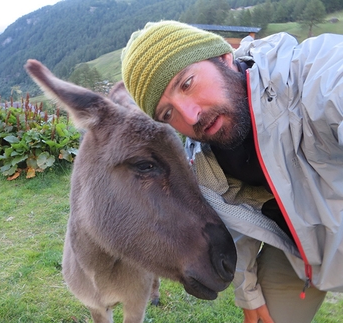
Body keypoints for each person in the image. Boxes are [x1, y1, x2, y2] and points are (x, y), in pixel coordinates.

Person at [120, 20, 343, 323]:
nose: (191, 115)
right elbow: (240, 223)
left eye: (187, 83)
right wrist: (248, 293)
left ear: (225, 57)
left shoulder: (311, 76)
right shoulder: (206, 164)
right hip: (298, 252)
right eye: (168, 113)